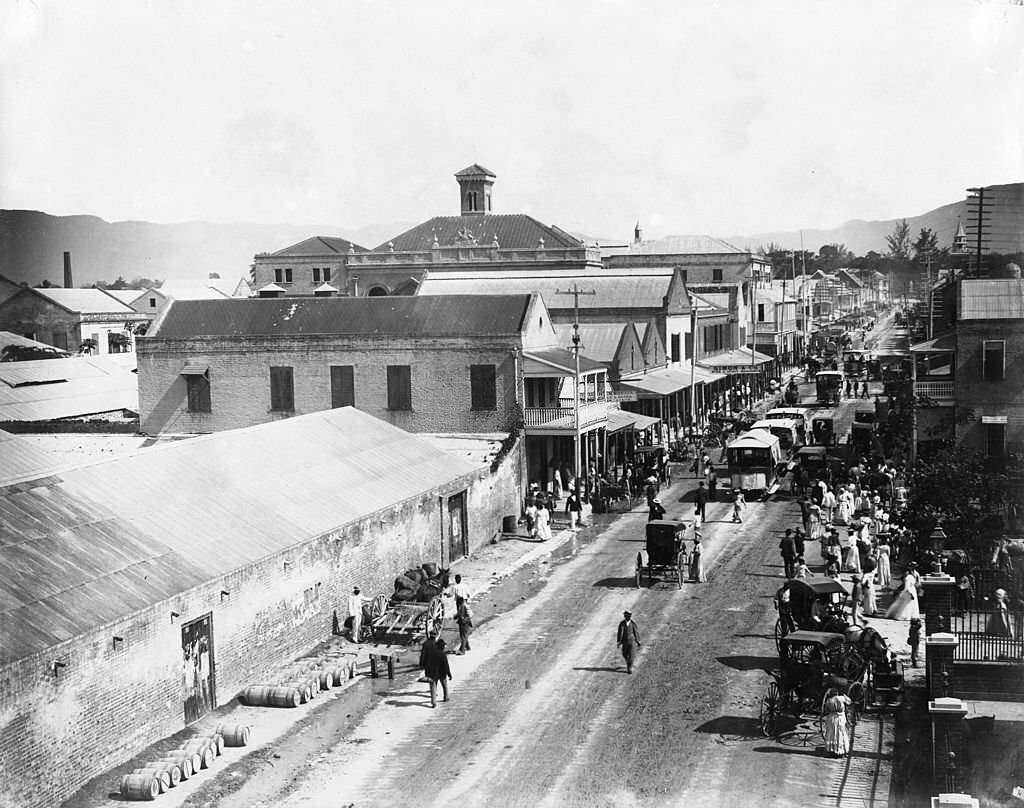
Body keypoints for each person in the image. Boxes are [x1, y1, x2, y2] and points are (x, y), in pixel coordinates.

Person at [421, 637, 452, 707]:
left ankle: (433, 702)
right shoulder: (443, 654)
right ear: (442, 647)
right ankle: (446, 697)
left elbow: (427, 664)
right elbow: (446, 665)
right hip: (442, 673)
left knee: (433, 688)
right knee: (444, 686)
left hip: (433, 674)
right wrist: (449, 674)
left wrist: (427, 673)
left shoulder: (432, 653)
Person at [822, 688, 853, 757]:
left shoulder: (829, 700)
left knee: (831, 733)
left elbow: (826, 710)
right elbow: (849, 701)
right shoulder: (840, 698)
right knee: (841, 733)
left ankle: (831, 750)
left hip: (831, 718)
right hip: (840, 718)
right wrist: (844, 695)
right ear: (837, 693)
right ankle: (840, 751)